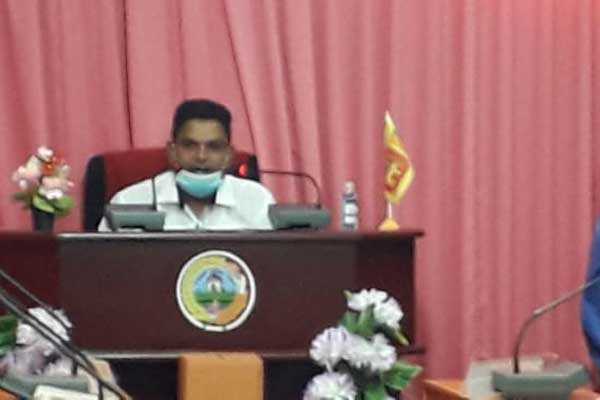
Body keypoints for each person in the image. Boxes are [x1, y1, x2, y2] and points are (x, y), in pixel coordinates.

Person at [98, 99, 275, 231]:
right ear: (172, 152)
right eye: (189, 145)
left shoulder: (257, 201)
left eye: (214, 147)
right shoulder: (129, 201)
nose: (201, 157)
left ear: (229, 156)